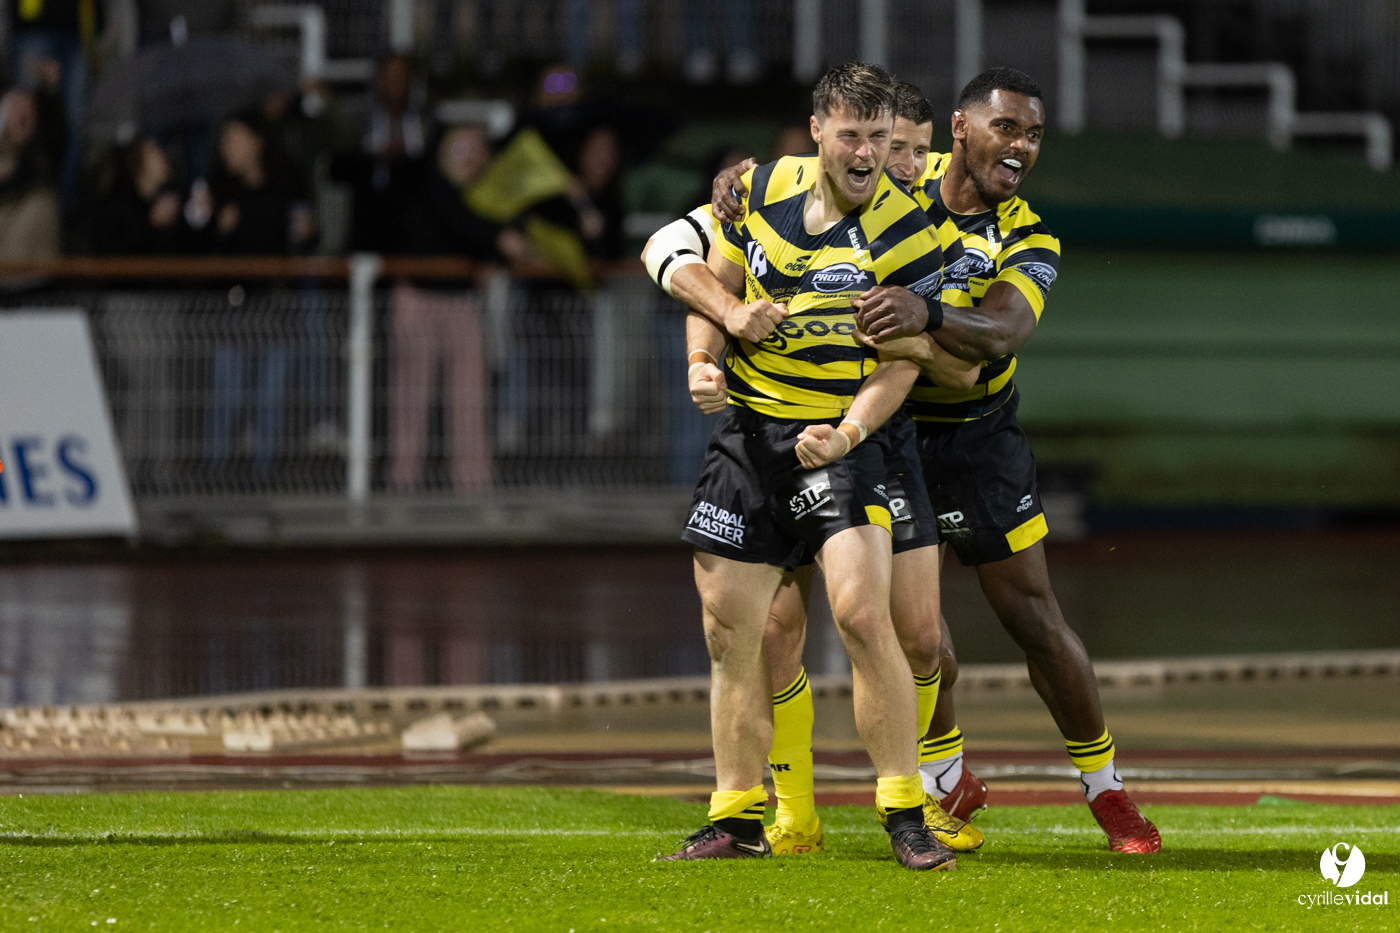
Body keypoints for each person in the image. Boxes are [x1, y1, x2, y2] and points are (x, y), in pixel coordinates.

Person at [713, 67, 1162, 855]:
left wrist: (922, 313)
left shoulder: (1027, 235)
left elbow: (1001, 336)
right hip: (891, 432)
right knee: (910, 635)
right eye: (1007, 128)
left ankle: (1106, 788)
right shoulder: (897, 183)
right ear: (961, 128)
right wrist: (737, 182)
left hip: (979, 438)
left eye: (1033, 135)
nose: (1020, 147)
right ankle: (933, 778)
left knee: (1032, 617)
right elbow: (814, 177)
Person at [647, 62, 966, 871]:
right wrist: (704, 357)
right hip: (750, 438)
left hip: (839, 442)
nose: (867, 153)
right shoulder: (757, 191)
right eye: (852, 135)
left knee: (863, 616)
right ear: (818, 130)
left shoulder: (908, 232)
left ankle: (905, 811)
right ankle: (737, 816)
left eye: (880, 138)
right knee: (734, 636)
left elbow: (902, 363)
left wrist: (851, 432)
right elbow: (710, 283)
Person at [389, 124, 532, 492]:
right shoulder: (430, 186)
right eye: (461, 149)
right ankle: (403, 483)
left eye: (476, 150)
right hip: (418, 300)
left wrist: (494, 254)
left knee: (470, 396)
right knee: (412, 397)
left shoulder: (485, 196)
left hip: (462, 303)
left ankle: (473, 485)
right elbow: (459, 223)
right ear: (442, 154)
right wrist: (498, 241)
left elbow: (489, 230)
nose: (470, 158)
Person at [0, 86, 63, 263]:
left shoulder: (40, 175)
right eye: (16, 109)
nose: (24, 117)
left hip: (29, 270)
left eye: (30, 112)